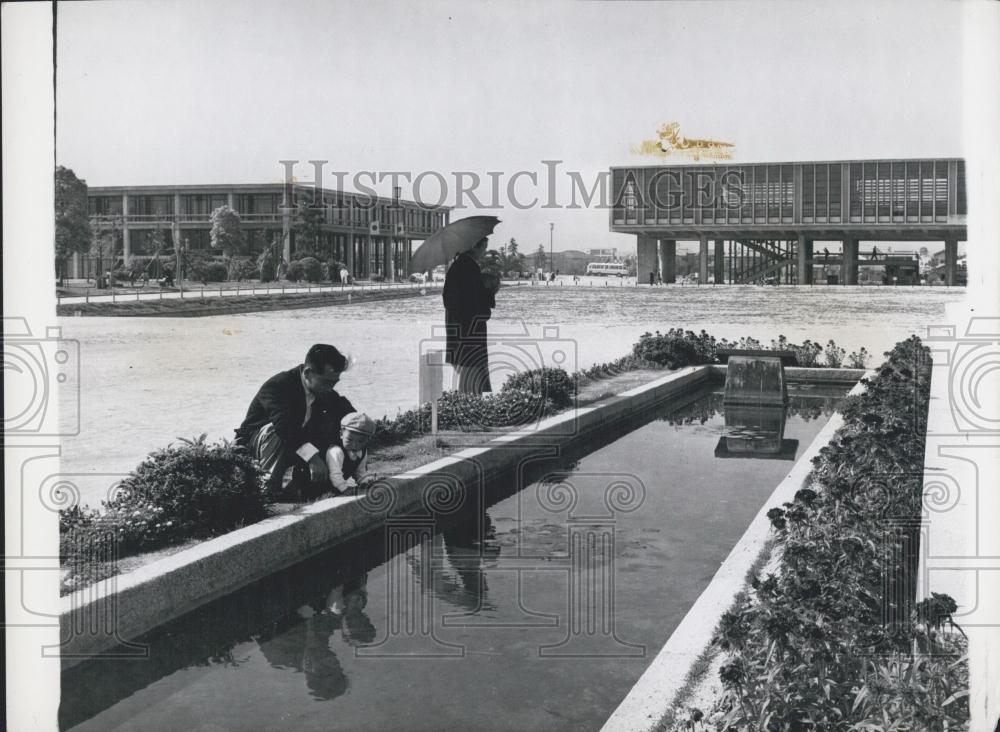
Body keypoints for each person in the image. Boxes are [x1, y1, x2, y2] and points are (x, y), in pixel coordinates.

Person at [236, 344, 356, 500]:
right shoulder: (278, 386)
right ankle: (267, 491)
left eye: (334, 383)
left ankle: (304, 487)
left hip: (291, 444)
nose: (331, 388)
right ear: (308, 373)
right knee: (275, 430)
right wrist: (313, 458)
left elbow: (349, 414)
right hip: (254, 446)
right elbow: (284, 426)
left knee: (348, 426)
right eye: (327, 382)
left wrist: (360, 426)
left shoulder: (321, 389)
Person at [442, 236, 496, 394]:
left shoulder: (459, 265)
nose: (484, 252)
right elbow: (474, 300)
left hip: (461, 330)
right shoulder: (468, 267)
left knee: (468, 371)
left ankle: (470, 403)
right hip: (469, 331)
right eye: (483, 248)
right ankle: (470, 406)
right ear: (474, 247)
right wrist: (490, 292)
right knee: (471, 374)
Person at [327, 411, 377, 495]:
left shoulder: (362, 451)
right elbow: (335, 474)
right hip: (326, 485)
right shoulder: (336, 451)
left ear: (367, 441)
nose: (354, 445)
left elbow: (360, 470)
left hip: (338, 483)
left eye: (360, 441)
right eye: (349, 440)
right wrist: (344, 488)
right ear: (341, 434)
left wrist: (364, 481)